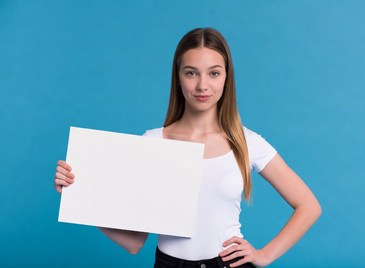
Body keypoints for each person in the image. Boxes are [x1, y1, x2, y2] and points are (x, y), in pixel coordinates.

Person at [54, 28, 321, 267]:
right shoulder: (153, 143)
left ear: (226, 78)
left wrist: (265, 255)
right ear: (179, 78)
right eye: (191, 73)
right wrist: (78, 196)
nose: (202, 85)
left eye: (214, 73)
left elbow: (308, 205)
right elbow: (134, 242)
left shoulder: (247, 142)